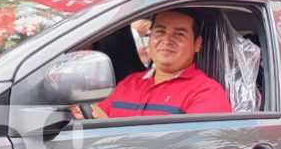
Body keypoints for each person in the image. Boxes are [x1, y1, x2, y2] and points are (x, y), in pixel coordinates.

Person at [74, 8, 232, 119]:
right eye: (160, 31)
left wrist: (107, 129)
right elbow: (95, 115)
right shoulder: (129, 83)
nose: (167, 40)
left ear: (197, 44)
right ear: (150, 38)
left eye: (179, 34)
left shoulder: (207, 93)